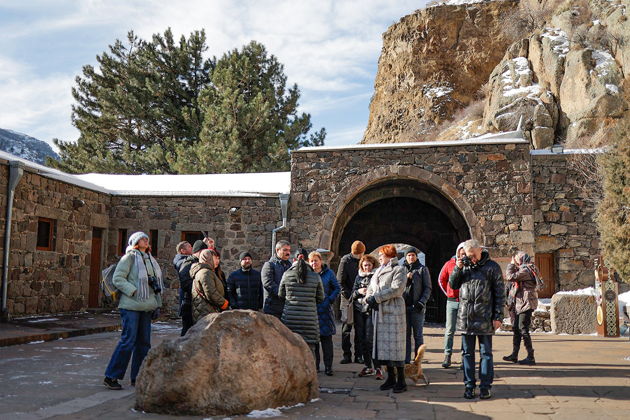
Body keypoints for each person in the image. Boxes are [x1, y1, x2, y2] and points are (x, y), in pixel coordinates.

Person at [104, 232, 163, 390]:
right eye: (142, 238)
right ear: (135, 242)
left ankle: (138, 376)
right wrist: (133, 291)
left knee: (144, 344)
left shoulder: (150, 259)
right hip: (131, 305)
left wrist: (157, 304)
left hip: (146, 306)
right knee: (128, 341)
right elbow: (118, 278)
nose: (145, 240)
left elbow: (155, 286)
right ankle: (112, 376)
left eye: (146, 239)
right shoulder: (129, 257)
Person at [449, 239, 505, 400]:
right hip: (466, 317)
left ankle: (485, 386)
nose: (472, 258)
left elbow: (500, 294)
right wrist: (458, 268)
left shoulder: (492, 267)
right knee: (467, 353)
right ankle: (469, 386)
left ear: (480, 251)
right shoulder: (464, 266)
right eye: (469, 255)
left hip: (485, 316)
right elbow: (453, 285)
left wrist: (498, 316)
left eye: (474, 255)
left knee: (486, 353)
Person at [365, 244, 407, 393]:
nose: (379, 257)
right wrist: (368, 297)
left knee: (396, 347)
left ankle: (401, 380)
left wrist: (376, 298)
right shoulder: (377, 271)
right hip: (379, 312)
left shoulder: (399, 270)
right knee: (384, 348)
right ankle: (391, 378)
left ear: (389, 255)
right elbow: (371, 287)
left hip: (393, 312)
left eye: (381, 255)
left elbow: (397, 289)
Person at [278, 251, 325, 357]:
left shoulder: (287, 275)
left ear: (293, 260)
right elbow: (321, 298)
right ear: (307, 260)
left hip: (290, 318)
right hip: (309, 319)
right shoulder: (315, 276)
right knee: (309, 352)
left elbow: (281, 295)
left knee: (290, 350)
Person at [503, 251, 539, 365]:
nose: (516, 261)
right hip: (521, 303)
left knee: (523, 329)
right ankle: (514, 354)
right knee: (517, 329)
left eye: (518, 259)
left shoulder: (526, 270)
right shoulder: (525, 268)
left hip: (526, 303)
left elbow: (509, 277)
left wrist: (511, 265)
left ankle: (531, 356)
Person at [309, 251, 340, 376]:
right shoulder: (309, 274)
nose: (313, 263)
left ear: (320, 261)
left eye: (315, 260)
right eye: (311, 261)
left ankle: (328, 367)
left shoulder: (329, 273)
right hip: (312, 310)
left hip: (325, 310)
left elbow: (337, 288)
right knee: (314, 341)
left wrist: (330, 299)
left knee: (326, 341)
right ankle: (315, 366)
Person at [438, 242, 466, 368]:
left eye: (465, 253)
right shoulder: (449, 264)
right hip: (452, 301)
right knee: (450, 330)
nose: (463, 255)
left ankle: (464, 357)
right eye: (461, 253)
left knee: (465, 331)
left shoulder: (470, 265)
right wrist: (448, 293)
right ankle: (447, 355)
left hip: (465, 301)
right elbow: (441, 279)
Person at [402, 247, 432, 364]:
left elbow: (428, 288)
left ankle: (418, 360)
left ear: (416, 256)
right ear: (405, 257)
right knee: (406, 335)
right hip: (404, 307)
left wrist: (422, 302)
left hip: (417, 307)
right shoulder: (401, 269)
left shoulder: (422, 269)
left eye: (413, 255)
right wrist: (406, 278)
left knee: (418, 335)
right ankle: (405, 361)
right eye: (409, 255)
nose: (411, 257)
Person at [337, 240, 365, 364]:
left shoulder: (364, 260)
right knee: (346, 329)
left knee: (360, 329)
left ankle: (359, 355)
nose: (360, 256)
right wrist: (350, 296)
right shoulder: (345, 261)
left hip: (360, 299)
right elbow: (340, 282)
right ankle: (346, 355)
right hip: (347, 300)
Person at [352, 254, 380, 378]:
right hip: (359, 310)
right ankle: (368, 366)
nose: (367, 267)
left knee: (370, 339)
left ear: (372, 265)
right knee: (361, 338)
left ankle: (377, 366)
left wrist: (369, 295)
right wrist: (358, 291)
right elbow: (352, 294)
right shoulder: (358, 277)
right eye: (364, 265)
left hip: (371, 310)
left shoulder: (376, 276)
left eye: (369, 265)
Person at [178, 240, 208, 335]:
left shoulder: (200, 262)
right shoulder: (188, 263)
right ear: (200, 251)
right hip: (189, 303)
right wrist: (200, 288)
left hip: (197, 303)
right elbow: (185, 283)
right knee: (187, 333)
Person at [191, 249, 229, 322]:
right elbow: (210, 292)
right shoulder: (205, 272)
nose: (217, 261)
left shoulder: (207, 271)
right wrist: (224, 303)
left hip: (207, 310)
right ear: (208, 258)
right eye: (215, 258)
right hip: (206, 312)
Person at [261, 240, 292, 319]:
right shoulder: (269, 265)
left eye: (289, 250)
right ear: (277, 250)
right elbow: (268, 283)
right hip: (272, 306)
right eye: (285, 250)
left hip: (287, 306)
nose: (288, 252)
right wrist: (283, 293)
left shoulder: (290, 266)